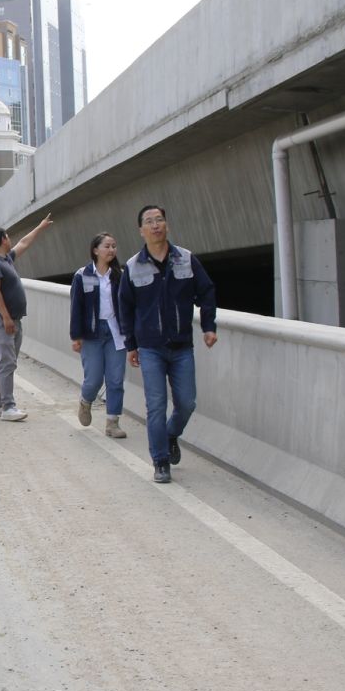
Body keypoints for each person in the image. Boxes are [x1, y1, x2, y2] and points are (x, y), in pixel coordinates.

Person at [117, 205, 218, 484]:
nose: (155, 225)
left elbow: (207, 292)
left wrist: (209, 326)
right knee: (156, 405)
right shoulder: (133, 266)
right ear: (141, 230)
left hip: (182, 346)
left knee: (186, 403)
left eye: (159, 220)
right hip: (150, 348)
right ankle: (160, 461)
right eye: (149, 221)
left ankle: (171, 434)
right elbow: (125, 308)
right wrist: (131, 345)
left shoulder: (186, 259)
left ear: (167, 225)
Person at [0, 216, 53, 422]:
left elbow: (24, 243)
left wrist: (40, 226)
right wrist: (6, 317)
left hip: (12, 319)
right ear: (3, 239)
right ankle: (8, 407)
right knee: (7, 363)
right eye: (8, 236)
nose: (11, 239)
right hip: (2, 320)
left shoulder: (5, 259)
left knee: (4, 362)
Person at [70, 232, 128, 439]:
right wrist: (76, 336)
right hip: (91, 333)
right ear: (95, 250)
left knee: (115, 380)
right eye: (107, 246)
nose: (111, 250)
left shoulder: (120, 275)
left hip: (116, 332)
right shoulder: (82, 275)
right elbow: (76, 307)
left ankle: (113, 422)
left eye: (114, 246)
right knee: (93, 379)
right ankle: (86, 401)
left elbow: (129, 305)